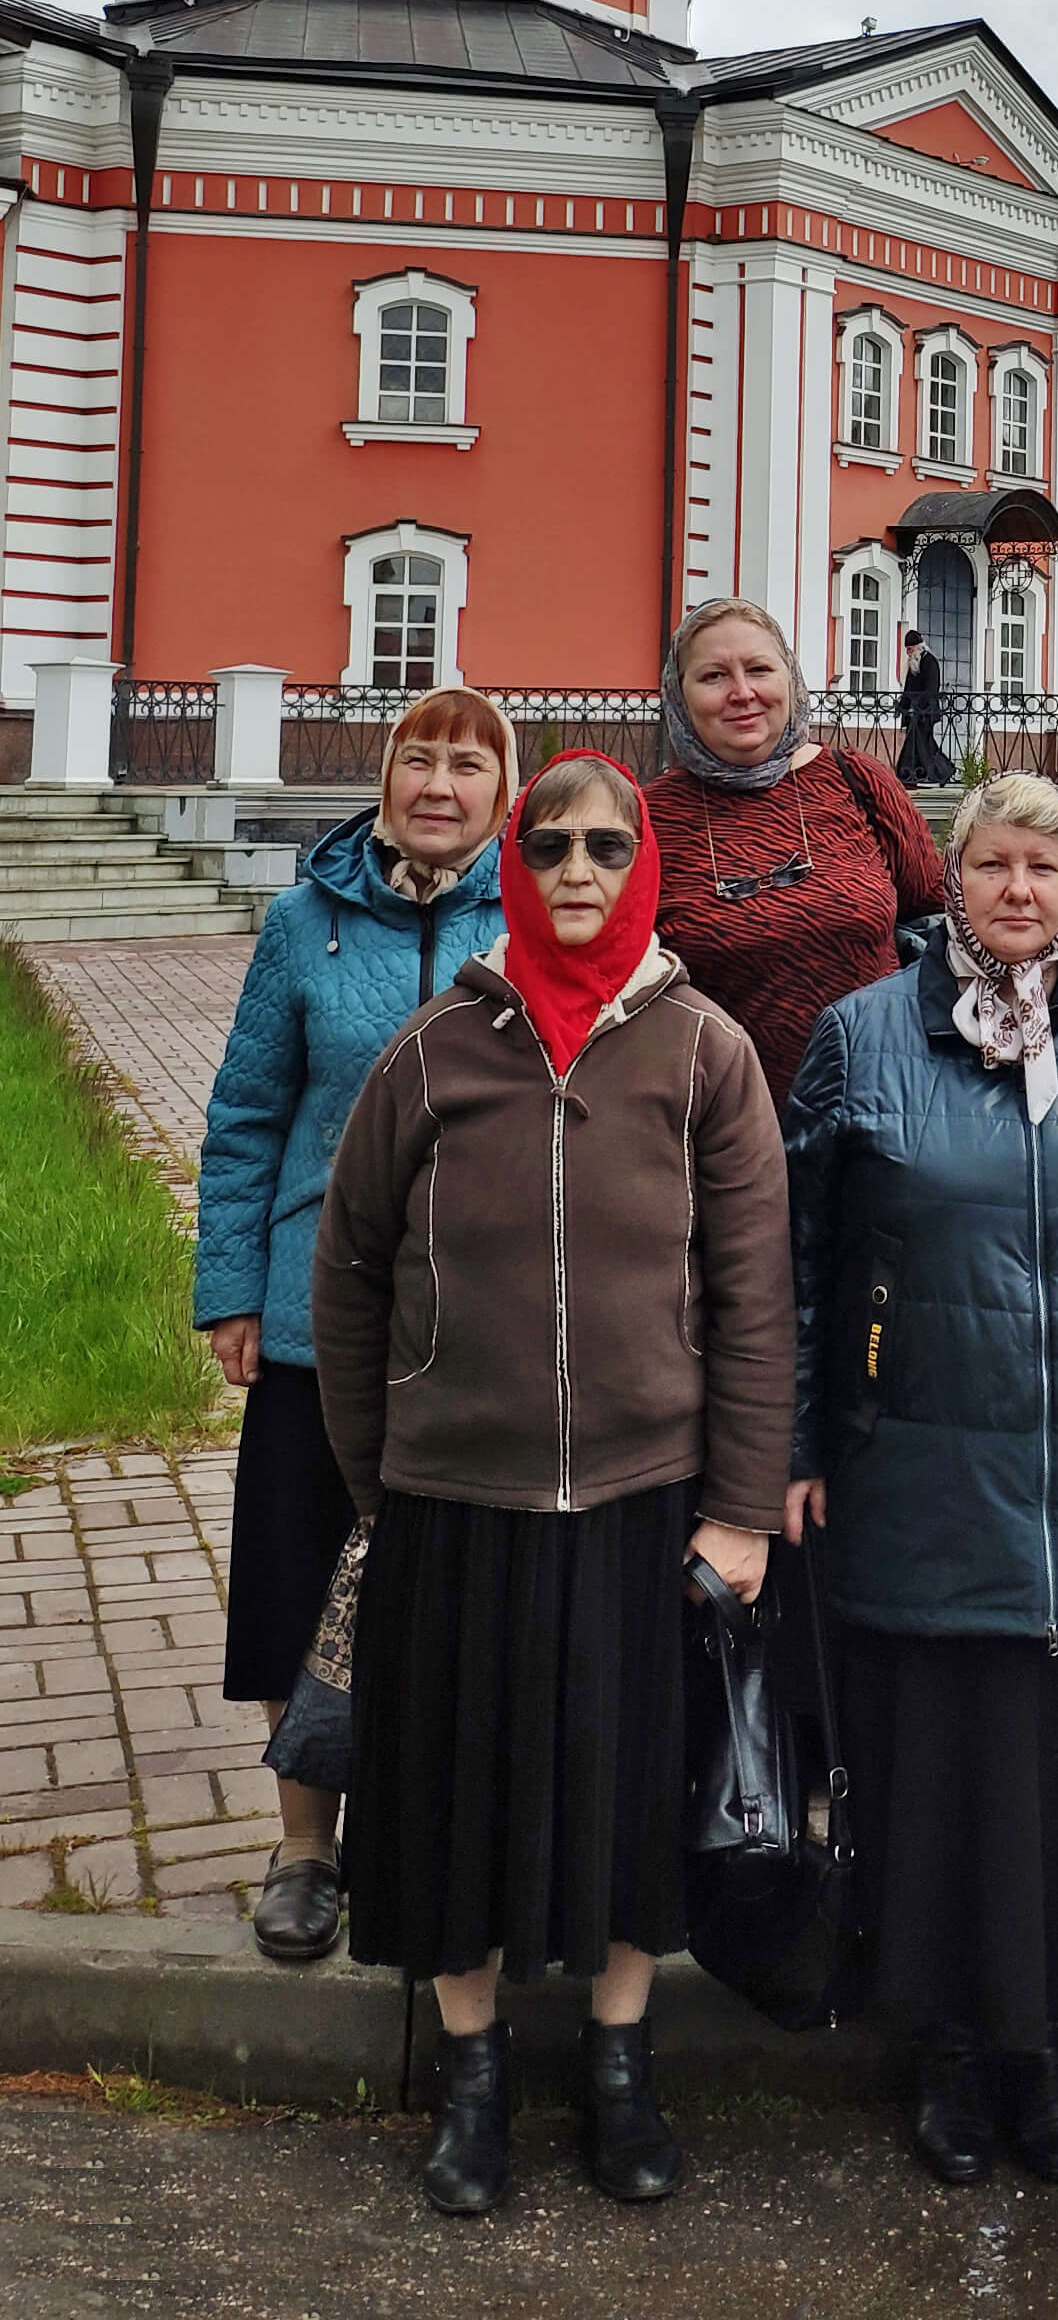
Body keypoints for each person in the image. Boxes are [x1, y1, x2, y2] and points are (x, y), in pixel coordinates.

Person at [313, 755, 794, 2219]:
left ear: (639, 859)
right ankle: (470, 2078)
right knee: (456, 1786)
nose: (578, 867)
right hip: (457, 1489)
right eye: (551, 844)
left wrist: (740, 1502)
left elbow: (756, 1292)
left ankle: (619, 2058)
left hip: (648, 1489)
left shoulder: (706, 1047)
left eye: (606, 843)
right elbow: (347, 1272)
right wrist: (383, 1472)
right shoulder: (437, 1046)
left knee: (626, 1789)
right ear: (517, 863)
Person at [783, 773, 1058, 2192]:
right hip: (922, 1465)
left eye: (1044, 864)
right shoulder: (864, 1036)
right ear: (950, 882)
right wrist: (793, 1444)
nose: (1019, 889)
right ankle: (958, 2050)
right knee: (946, 1775)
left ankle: (1052, 2050)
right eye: (992, 865)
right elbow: (798, 1261)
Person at [193, 688, 516, 1963]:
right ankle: (305, 1846)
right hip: (314, 1308)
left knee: (447, 1580)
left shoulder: (533, 919)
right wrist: (229, 1287)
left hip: (473, 1316)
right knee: (300, 1567)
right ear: (386, 780)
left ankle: (424, 1829)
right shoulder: (302, 924)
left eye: (468, 764)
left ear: (504, 791)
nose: (440, 785)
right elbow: (246, 1111)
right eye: (419, 760)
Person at [648, 597, 944, 1117]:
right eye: (714, 676)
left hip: (887, 1113)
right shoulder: (648, 821)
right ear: (679, 695)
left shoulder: (857, 781)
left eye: (760, 669)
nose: (742, 693)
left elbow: (938, 914)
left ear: (790, 677)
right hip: (718, 1131)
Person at [893, 628, 954, 786]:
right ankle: (921, 774)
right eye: (907, 649)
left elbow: (931, 689)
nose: (908, 653)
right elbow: (909, 688)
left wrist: (918, 706)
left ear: (918, 647)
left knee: (921, 744)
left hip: (926, 712)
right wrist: (902, 706)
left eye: (910, 649)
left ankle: (910, 774)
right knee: (922, 745)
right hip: (916, 713)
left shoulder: (929, 662)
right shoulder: (914, 663)